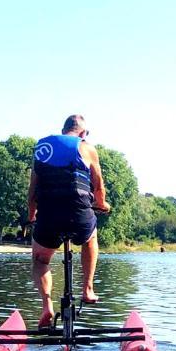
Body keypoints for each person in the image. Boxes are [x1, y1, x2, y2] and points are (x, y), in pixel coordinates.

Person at [28, 115, 110, 327]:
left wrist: (31, 217)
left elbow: (33, 191)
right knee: (91, 238)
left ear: (64, 129)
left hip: (49, 217)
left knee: (40, 260)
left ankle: (47, 306)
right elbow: (98, 185)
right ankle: (88, 289)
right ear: (83, 133)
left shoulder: (42, 147)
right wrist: (102, 204)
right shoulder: (86, 147)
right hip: (78, 216)